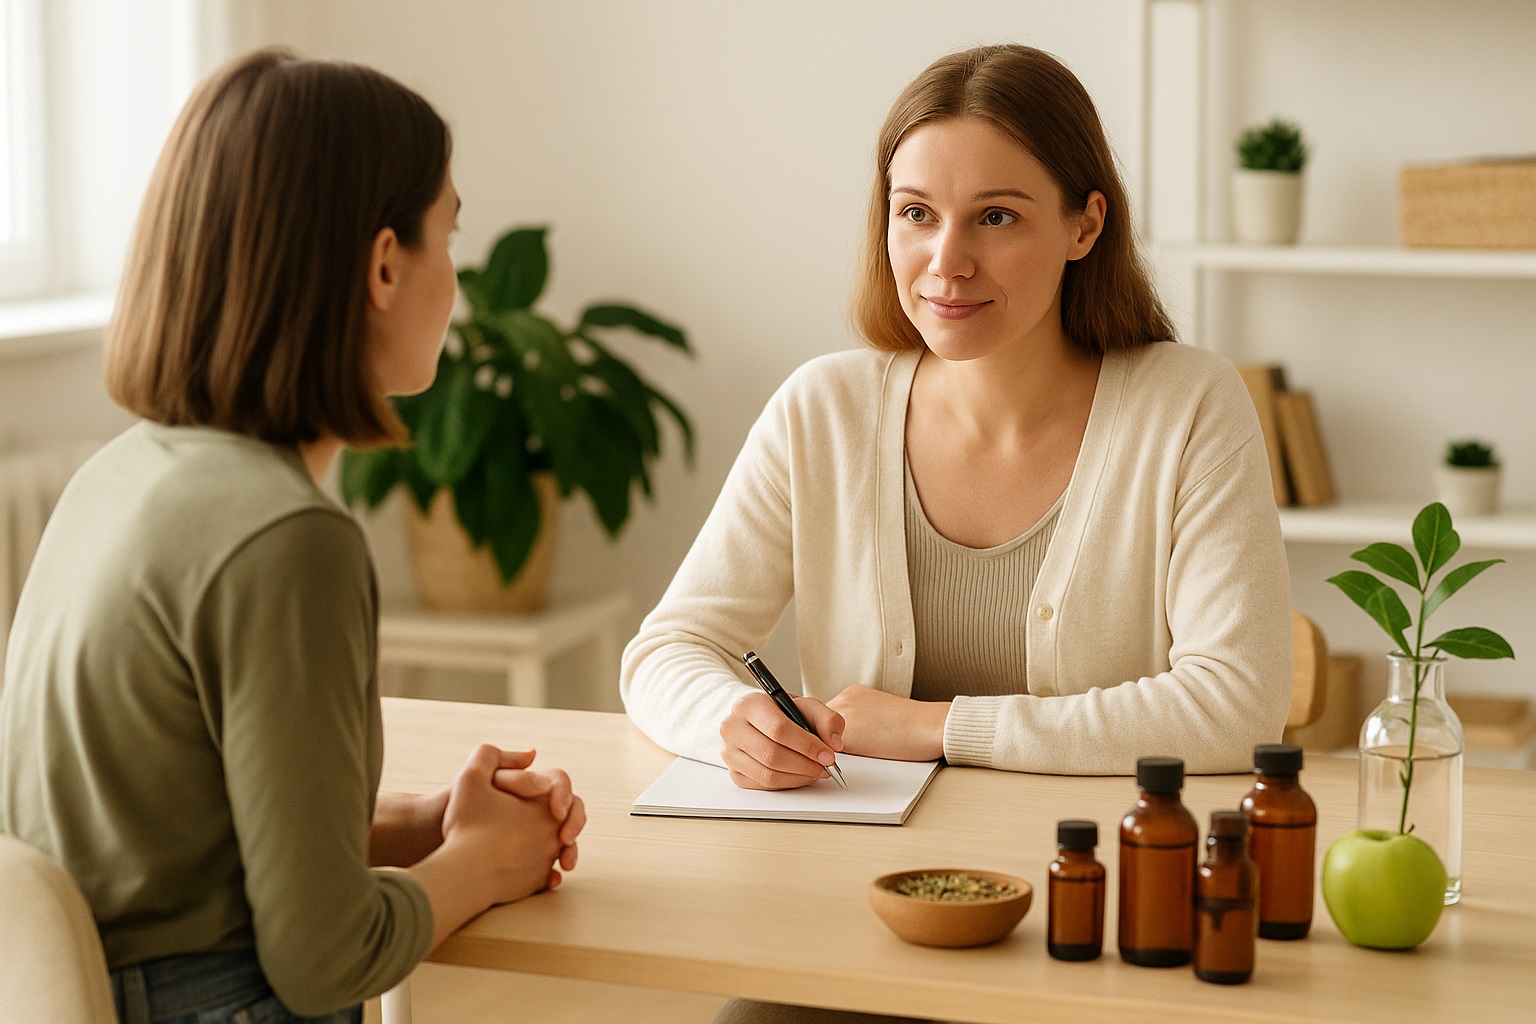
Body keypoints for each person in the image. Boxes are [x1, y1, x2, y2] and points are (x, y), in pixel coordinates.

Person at [0, 49, 585, 1023]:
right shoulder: (286, 539)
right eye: (447, 235)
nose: (454, 276)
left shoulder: (118, 476)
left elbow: (187, 849)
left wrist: (428, 826)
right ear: (384, 265)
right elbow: (326, 955)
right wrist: (485, 864)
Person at [621, 43, 1291, 795]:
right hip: (852, 859)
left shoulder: (1189, 406)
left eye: (996, 217)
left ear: (1084, 226)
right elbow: (668, 651)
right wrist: (735, 723)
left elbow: (1240, 704)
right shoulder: (823, 411)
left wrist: (939, 727)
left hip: (1093, 858)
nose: (946, 261)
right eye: (916, 213)